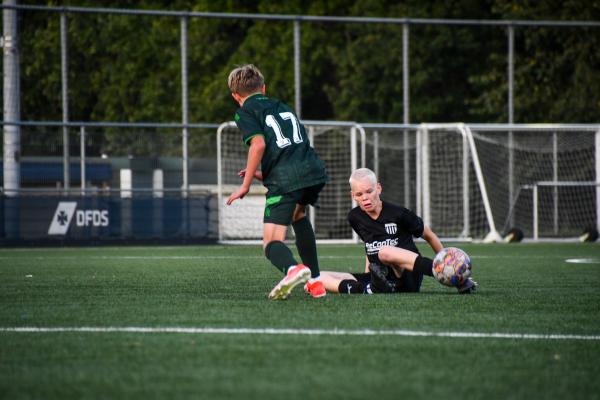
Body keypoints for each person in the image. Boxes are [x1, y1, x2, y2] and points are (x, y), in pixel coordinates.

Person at [226, 64, 329, 300]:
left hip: (287, 177)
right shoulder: (282, 105)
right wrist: (267, 173)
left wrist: (246, 184)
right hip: (312, 169)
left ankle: (294, 270)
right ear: (263, 87)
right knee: (298, 215)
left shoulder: (245, 111)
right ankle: (315, 282)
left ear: (235, 96)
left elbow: (259, 144)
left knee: (271, 243)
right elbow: (289, 145)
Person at [320, 167, 477, 294]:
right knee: (316, 277)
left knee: (384, 252)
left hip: (407, 276)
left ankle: (449, 274)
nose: (365, 198)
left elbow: (429, 236)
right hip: (383, 279)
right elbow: (369, 245)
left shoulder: (399, 213)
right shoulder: (354, 217)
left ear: (378, 188)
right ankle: (364, 289)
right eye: (359, 194)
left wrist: (448, 264)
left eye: (369, 191)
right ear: (353, 195)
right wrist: (370, 275)